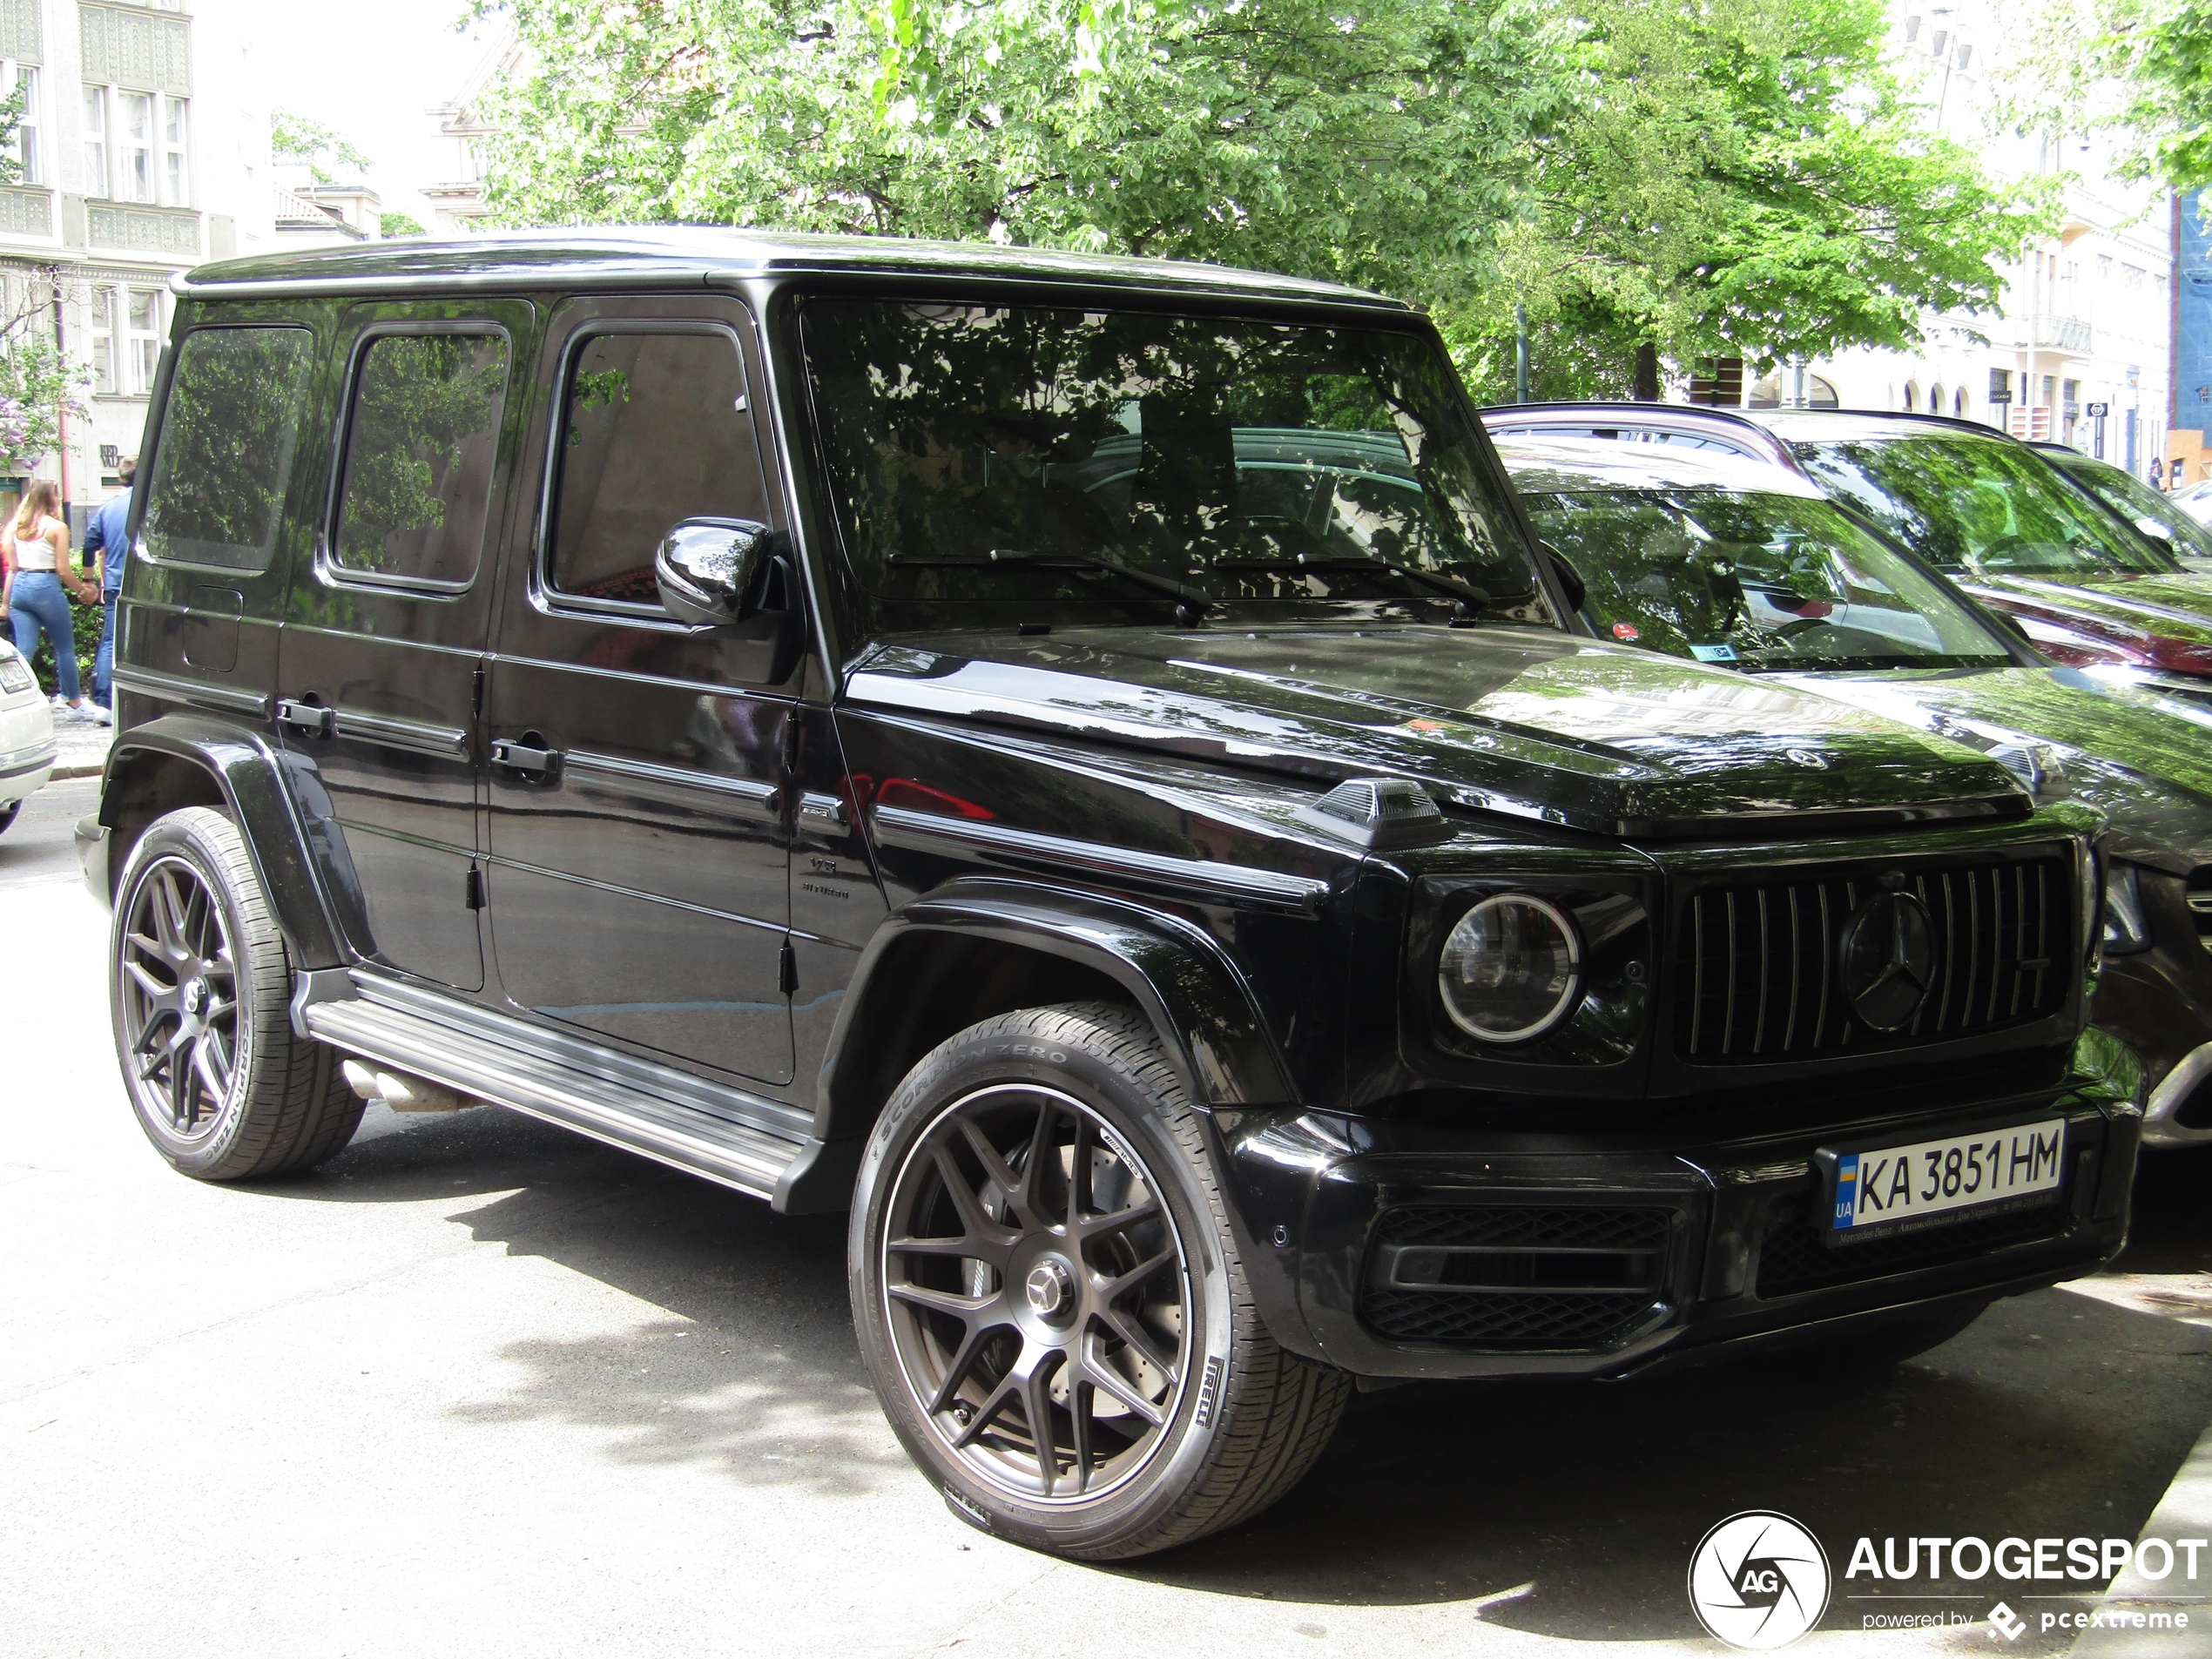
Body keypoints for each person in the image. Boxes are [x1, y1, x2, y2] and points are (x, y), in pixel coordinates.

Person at [2, 478, 102, 722]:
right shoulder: (56, 528)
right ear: (53, 498)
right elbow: (63, 570)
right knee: (64, 647)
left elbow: (13, 568)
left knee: (24, 649)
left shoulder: (15, 527)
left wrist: (6, 602)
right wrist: (84, 589)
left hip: (20, 587)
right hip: (45, 586)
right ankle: (73, 702)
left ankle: (6, 698)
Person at [83, 457, 134, 713]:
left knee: (110, 642)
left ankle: (103, 702)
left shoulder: (107, 508)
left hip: (115, 584)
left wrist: (88, 580)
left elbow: (89, 544)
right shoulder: (150, 506)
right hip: (147, 586)